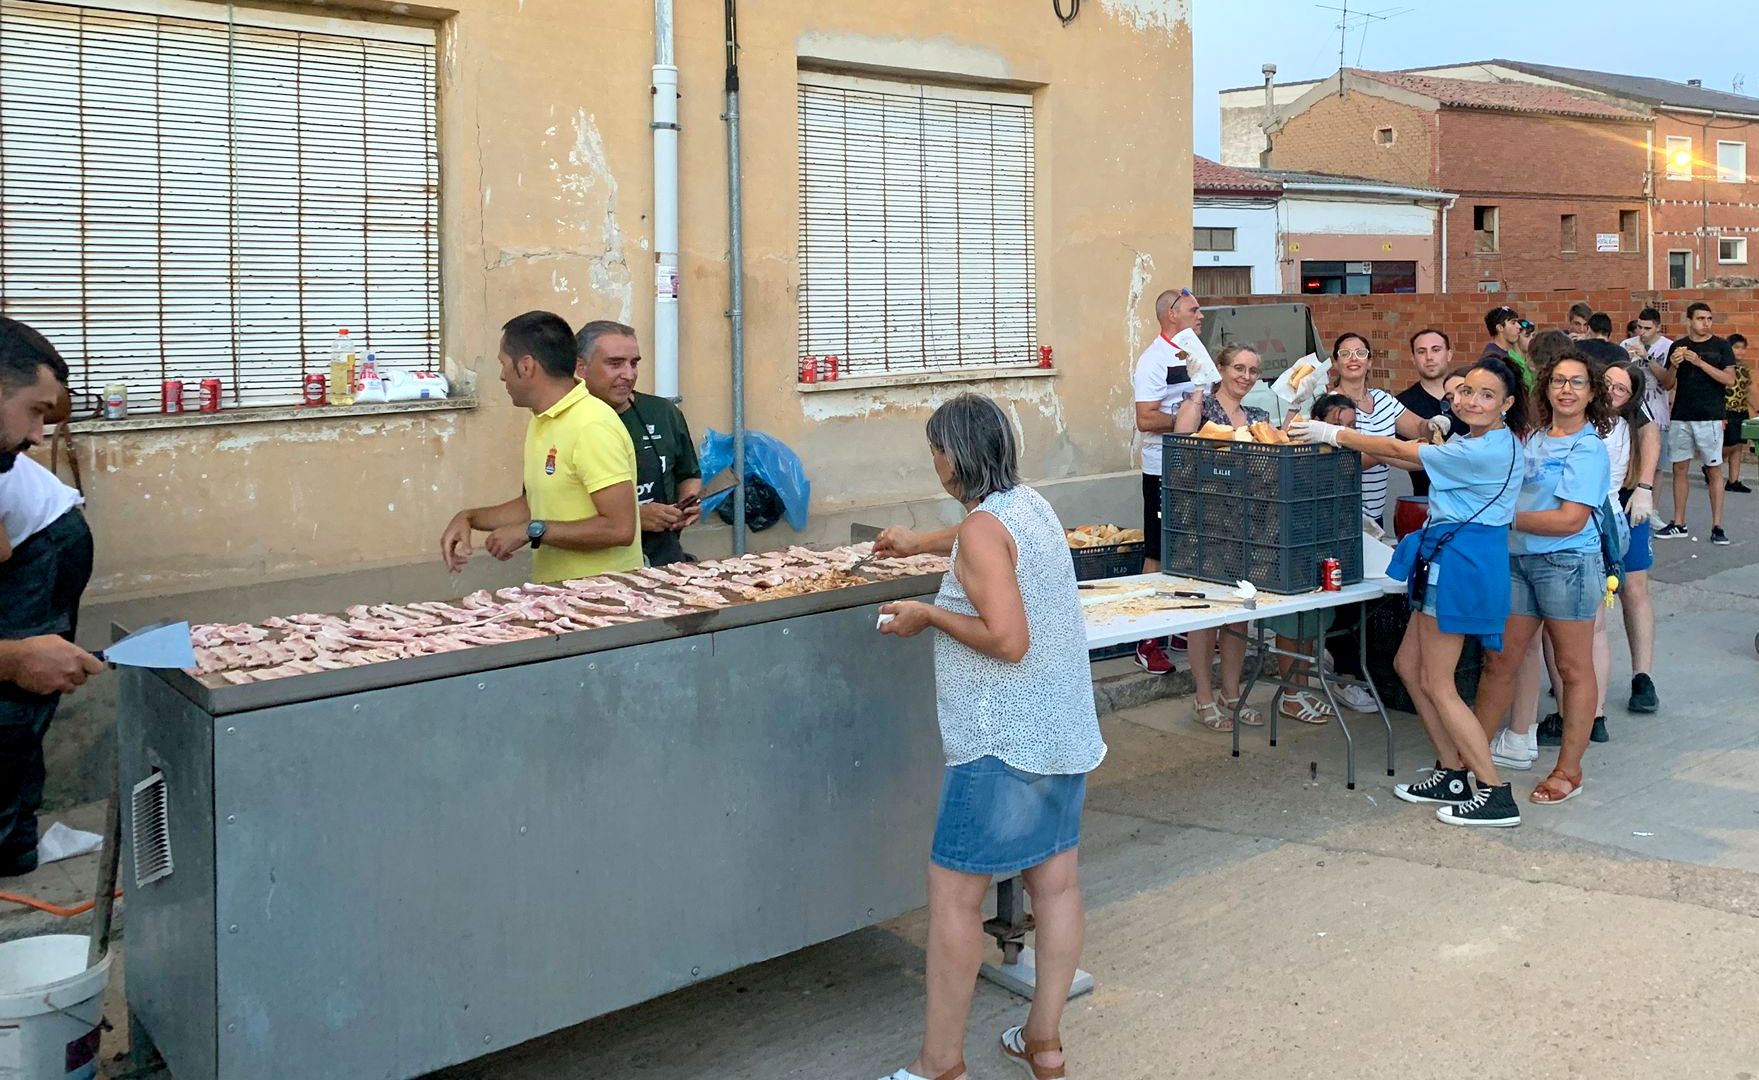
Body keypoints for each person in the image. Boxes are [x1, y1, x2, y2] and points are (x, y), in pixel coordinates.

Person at [871, 394, 1106, 1080]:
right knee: (1055, 887)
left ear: (953, 457)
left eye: (934, 451)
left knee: (954, 900)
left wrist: (926, 615)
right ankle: (1044, 1041)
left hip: (1000, 742)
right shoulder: (1027, 504)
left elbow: (1006, 639)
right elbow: (985, 540)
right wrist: (919, 543)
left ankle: (938, 1063)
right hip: (1061, 729)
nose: (933, 462)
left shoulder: (982, 530)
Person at [1293, 357, 1527, 826]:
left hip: (1462, 562)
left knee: (1440, 682)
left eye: (1485, 395)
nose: (1471, 401)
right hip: (1445, 554)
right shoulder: (1475, 439)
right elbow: (1409, 449)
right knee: (1407, 665)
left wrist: (1330, 434)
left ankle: (1495, 790)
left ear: (1507, 404)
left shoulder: (1484, 450)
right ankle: (1451, 770)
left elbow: (1401, 452)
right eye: (1465, 392)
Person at [1473, 350, 1613, 807]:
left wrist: (1505, 518)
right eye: (1558, 381)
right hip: (1518, 563)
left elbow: (1571, 520)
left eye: (1576, 382)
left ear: (1592, 393)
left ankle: (1569, 770)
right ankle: (1468, 758)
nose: (1566, 389)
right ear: (1545, 388)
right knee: (1500, 661)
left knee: (1572, 669)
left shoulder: (1588, 448)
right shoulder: (1532, 439)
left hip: (1567, 565)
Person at [0, 319, 102, 878]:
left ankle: (11, 843)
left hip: (43, 543)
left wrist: (16, 660)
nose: (39, 438)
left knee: (13, 701)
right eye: (35, 412)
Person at [440, 311, 640, 583]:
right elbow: (537, 503)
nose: (501, 376)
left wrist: (532, 530)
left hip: (606, 602)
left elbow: (620, 529)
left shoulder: (592, 425)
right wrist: (469, 518)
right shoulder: (544, 418)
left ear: (526, 366)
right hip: (557, 598)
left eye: (503, 363)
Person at [1173, 344, 1271, 731]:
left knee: (1239, 613)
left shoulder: (1258, 417)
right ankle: (1202, 696)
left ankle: (1232, 694)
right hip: (1203, 523)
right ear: (1221, 369)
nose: (1245, 376)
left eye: (1252, 370)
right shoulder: (1199, 407)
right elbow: (1181, 442)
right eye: (1238, 368)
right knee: (1205, 613)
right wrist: (1198, 388)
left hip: (1247, 524)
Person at [574, 320, 703, 565]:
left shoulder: (663, 413)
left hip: (664, 559)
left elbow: (689, 475)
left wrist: (688, 503)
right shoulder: (565, 421)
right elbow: (547, 509)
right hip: (595, 570)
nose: (629, 374)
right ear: (581, 367)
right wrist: (634, 518)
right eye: (615, 364)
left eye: (634, 363)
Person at [1265, 392, 1359, 726]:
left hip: (1326, 546)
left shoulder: (1347, 459)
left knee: (1315, 622)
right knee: (1293, 622)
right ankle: (1291, 694)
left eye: (1350, 426)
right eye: (1336, 425)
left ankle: (1302, 688)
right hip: (1295, 545)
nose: (1343, 432)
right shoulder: (1301, 454)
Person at [1130, 287, 1204, 675]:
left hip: (1196, 465)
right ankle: (1146, 640)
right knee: (1157, 554)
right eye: (1194, 309)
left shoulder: (1195, 357)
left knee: (1187, 549)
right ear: (1171, 314)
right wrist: (1189, 421)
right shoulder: (1153, 360)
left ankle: (1176, 626)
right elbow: (1145, 419)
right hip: (1163, 469)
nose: (1201, 315)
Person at [1656, 301, 1737, 545]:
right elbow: (1668, 384)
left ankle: (1717, 525)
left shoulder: (1721, 346)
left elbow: (1729, 379)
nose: (1706, 323)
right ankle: (1679, 522)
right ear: (1689, 320)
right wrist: (1675, 364)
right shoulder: (1678, 345)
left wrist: (1700, 362)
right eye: (1701, 318)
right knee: (1680, 468)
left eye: (1709, 319)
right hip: (1681, 414)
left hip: (1710, 416)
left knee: (1713, 469)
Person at [1618, 361, 1664, 714]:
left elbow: (1650, 432)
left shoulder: (1635, 409)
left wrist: (1645, 487)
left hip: (1627, 498)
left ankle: (1643, 675)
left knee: (1634, 588)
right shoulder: (1580, 402)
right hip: (1584, 503)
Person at [1396, 328, 1455, 498]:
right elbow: (1399, 455)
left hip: (1476, 500)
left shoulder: (1469, 397)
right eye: (1422, 352)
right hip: (1425, 501)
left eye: (1436, 350)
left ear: (1449, 354)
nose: (1429, 357)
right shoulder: (1402, 405)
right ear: (1413, 359)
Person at [1621, 307, 1673, 439]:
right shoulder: (1626, 344)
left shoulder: (1668, 347)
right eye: (1639, 327)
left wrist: (1647, 356)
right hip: (1630, 414)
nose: (1642, 332)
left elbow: (1668, 383)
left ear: (1658, 328)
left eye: (1647, 328)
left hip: (1658, 416)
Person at [1722, 333, 1753, 493]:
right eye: (1736, 348)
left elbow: (1746, 392)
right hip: (1727, 411)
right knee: (1729, 445)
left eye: (1743, 348)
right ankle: (1710, 465)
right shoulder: (1724, 366)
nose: (1740, 352)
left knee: (1739, 445)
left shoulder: (1745, 368)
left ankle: (1733, 480)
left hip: (1741, 411)